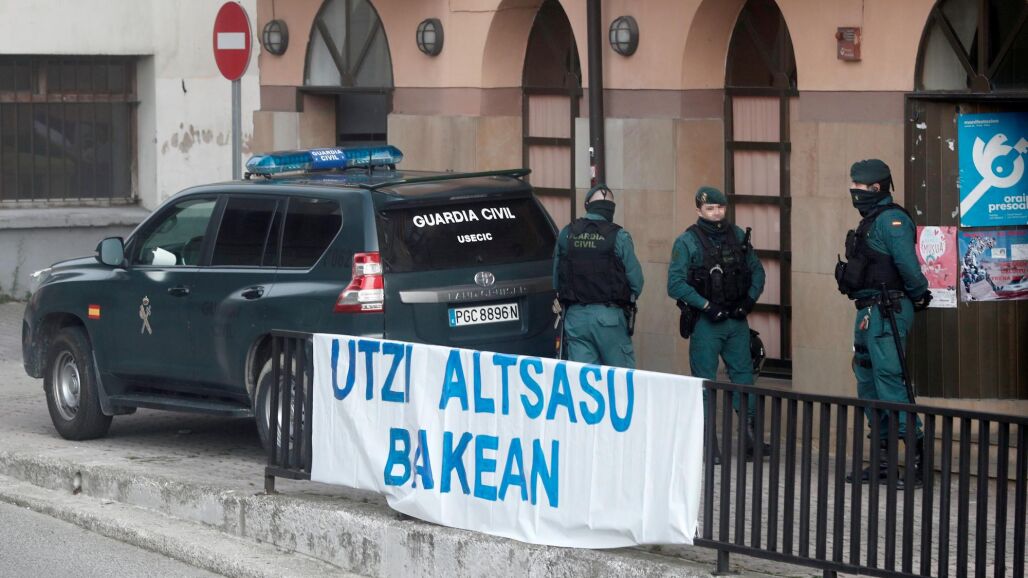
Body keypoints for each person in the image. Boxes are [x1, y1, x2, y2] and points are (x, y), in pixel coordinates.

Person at [836, 159, 932, 487]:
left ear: (875, 188)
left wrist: (919, 294)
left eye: (858, 186)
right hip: (868, 312)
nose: (854, 191)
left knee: (890, 382)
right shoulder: (871, 220)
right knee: (868, 383)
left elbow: (908, 267)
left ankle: (917, 461)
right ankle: (883, 462)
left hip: (887, 310)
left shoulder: (892, 220)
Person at [667, 186, 766, 462]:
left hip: (736, 320)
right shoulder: (687, 241)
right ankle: (709, 445)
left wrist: (749, 301)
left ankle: (750, 440)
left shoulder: (737, 236)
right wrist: (706, 306)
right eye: (710, 208)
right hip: (706, 323)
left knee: (744, 378)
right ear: (699, 210)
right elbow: (675, 284)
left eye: (720, 207)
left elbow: (757, 272)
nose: (716, 213)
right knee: (704, 383)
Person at [553, 185, 643, 368]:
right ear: (611, 209)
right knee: (620, 378)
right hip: (609, 318)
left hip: (576, 319)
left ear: (587, 205)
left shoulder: (567, 233)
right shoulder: (619, 236)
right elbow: (637, 282)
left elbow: (556, 279)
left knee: (584, 378)